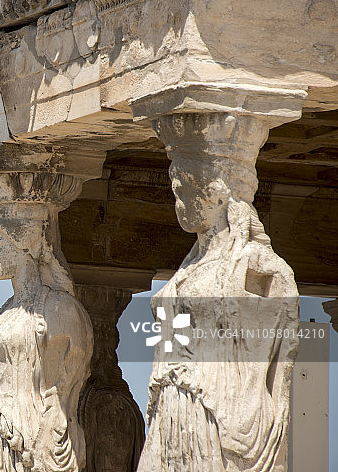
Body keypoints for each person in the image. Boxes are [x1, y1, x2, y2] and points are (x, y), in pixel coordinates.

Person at [137, 114, 298, 472]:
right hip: (172, 400)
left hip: (219, 403)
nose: (178, 203)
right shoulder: (187, 268)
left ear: (215, 195)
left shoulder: (256, 265)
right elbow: (167, 342)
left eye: (183, 192)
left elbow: (278, 356)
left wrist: (258, 411)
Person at [0, 172, 93, 472]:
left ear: (21, 242)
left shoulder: (58, 309)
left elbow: (65, 390)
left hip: (27, 445)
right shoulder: (3, 312)